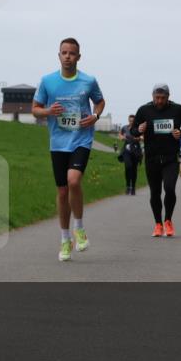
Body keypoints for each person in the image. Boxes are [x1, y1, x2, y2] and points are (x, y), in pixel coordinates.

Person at [31, 38, 106, 261]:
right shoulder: (48, 81)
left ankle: (79, 228)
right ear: (59, 55)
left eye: (71, 53)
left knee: (73, 181)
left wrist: (95, 116)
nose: (67, 57)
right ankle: (65, 240)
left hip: (81, 139)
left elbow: (100, 101)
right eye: (64, 53)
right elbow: (35, 109)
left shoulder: (88, 81)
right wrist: (48, 111)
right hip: (58, 142)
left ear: (78, 57)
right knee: (62, 191)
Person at [130, 84, 181, 238]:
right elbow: (133, 130)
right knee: (155, 192)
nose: (159, 101)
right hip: (151, 158)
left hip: (170, 157)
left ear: (168, 97)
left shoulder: (178, 109)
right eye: (157, 98)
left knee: (169, 188)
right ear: (152, 96)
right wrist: (139, 130)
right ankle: (158, 224)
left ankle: (168, 221)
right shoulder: (144, 110)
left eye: (163, 98)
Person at [117, 115, 143, 194]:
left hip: (135, 149)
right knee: (128, 167)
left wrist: (138, 138)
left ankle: (133, 188)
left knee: (134, 169)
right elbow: (120, 135)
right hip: (127, 150)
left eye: (133, 121)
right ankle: (128, 186)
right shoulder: (125, 128)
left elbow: (143, 136)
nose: (131, 122)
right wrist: (122, 137)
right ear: (128, 120)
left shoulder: (138, 128)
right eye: (130, 120)